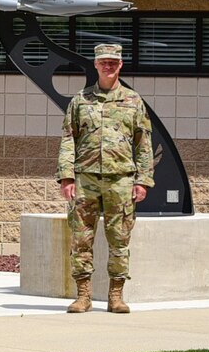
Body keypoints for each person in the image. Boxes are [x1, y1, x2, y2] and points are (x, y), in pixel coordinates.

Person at [58, 43, 153, 314]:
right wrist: (66, 177)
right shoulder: (81, 100)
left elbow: (143, 143)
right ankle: (83, 296)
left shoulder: (133, 101)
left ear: (120, 64)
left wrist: (143, 180)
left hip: (121, 180)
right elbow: (68, 139)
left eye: (113, 62)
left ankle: (116, 296)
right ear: (96, 65)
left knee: (119, 240)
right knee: (81, 239)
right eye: (103, 62)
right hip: (85, 179)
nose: (108, 66)